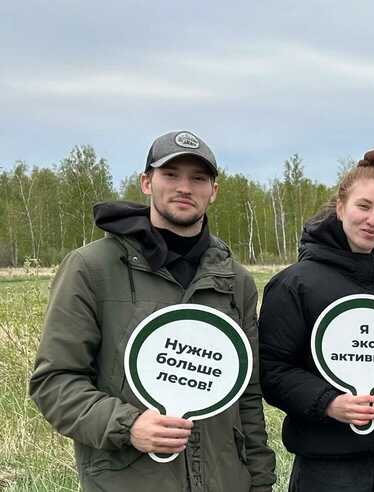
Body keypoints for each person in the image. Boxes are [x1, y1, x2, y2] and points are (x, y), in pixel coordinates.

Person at [29, 130, 276, 491]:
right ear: (146, 182)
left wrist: (260, 482)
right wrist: (129, 426)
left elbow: (248, 398)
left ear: (214, 191)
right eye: (170, 174)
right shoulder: (91, 268)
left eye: (198, 178)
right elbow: (54, 382)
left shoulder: (235, 280)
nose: (184, 188)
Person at [258, 149, 374, 492]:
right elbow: (272, 369)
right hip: (328, 468)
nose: (373, 220)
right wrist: (329, 403)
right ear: (340, 208)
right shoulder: (295, 284)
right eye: (364, 206)